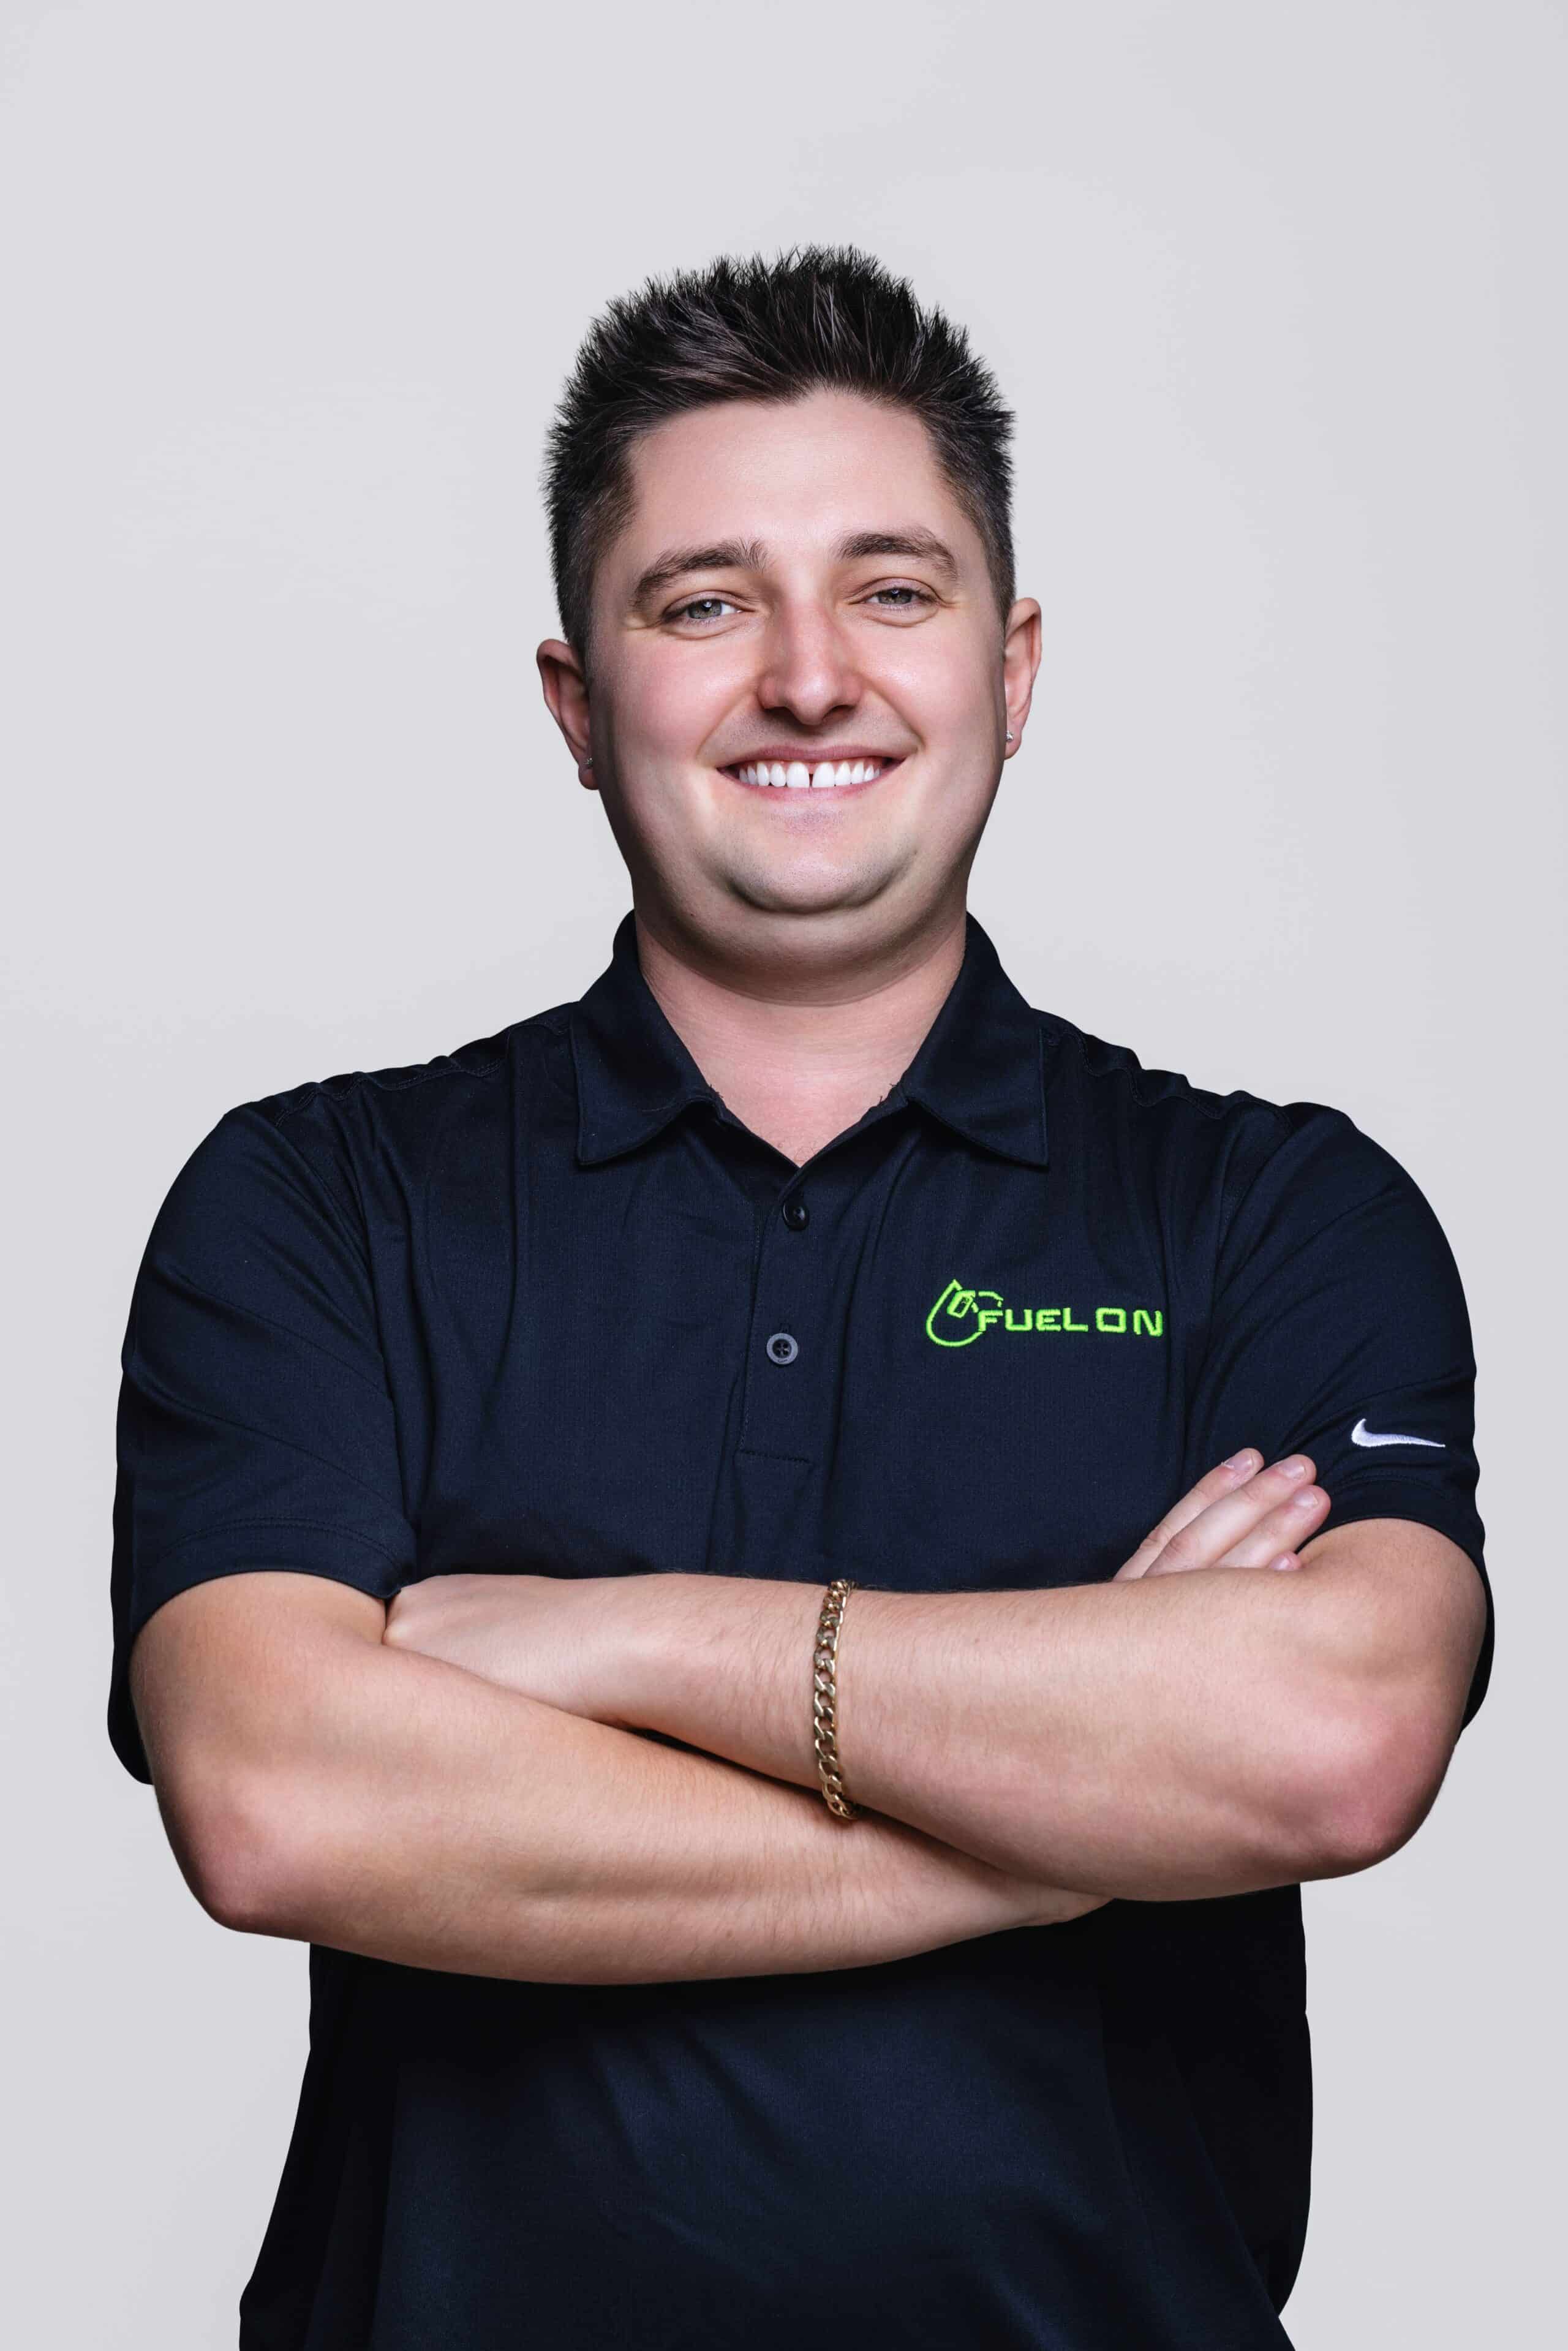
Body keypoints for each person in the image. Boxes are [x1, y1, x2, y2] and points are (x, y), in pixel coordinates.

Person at [108, 247, 1492, 2350]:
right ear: (582, 704)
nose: (811, 676)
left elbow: (1334, 1740)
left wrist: (617, 1641)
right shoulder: (317, 1205)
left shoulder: (1271, 1212)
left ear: (1012, 670)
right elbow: (283, 1797)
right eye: (705, 600)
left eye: (895, 588)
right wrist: (1077, 1820)